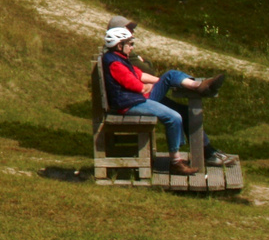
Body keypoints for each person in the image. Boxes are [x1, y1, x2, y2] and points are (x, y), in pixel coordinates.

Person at [102, 19, 237, 168]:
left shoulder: (119, 57)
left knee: (177, 93)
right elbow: (138, 84)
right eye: (131, 43)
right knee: (175, 116)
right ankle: (179, 161)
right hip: (132, 101)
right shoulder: (116, 62)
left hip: (136, 98)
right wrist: (150, 86)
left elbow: (140, 74)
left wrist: (163, 82)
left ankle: (198, 87)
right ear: (119, 44)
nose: (133, 47)